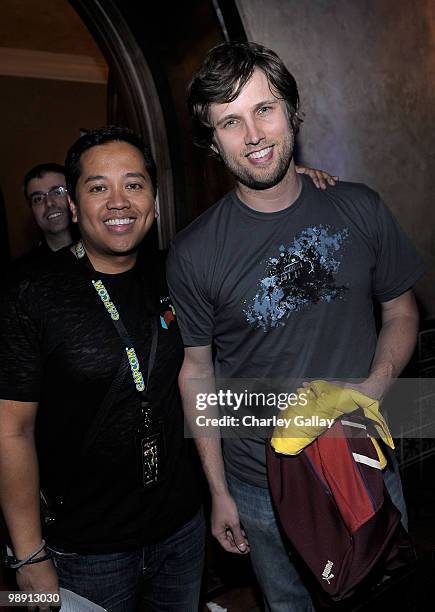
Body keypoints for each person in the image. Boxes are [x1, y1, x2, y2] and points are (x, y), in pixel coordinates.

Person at [166, 42, 424, 611]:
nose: (254, 134)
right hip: (260, 483)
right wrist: (219, 493)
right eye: (230, 121)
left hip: (361, 456)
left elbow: (402, 310)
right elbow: (198, 372)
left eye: (265, 108)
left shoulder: (359, 207)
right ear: (213, 142)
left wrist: (374, 389)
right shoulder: (193, 253)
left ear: (292, 112)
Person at [0, 127, 203, 612]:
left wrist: (287, 181)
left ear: (154, 201)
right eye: (98, 187)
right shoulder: (29, 293)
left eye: (134, 185)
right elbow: (11, 432)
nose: (119, 202)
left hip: (181, 531)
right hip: (85, 552)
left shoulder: (174, 270)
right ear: (73, 205)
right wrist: (28, 556)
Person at [22, 163, 73, 255]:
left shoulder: (102, 252)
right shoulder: (24, 268)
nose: (49, 203)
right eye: (38, 198)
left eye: (57, 192)